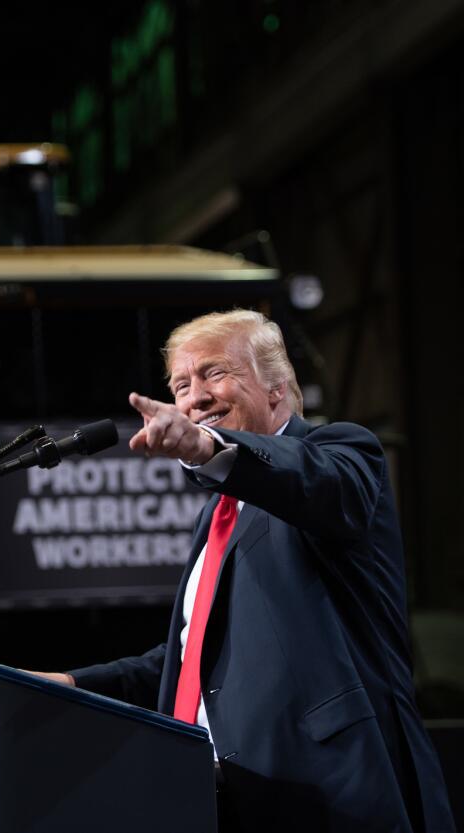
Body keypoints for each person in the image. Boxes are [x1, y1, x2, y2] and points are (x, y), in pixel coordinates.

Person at [38, 309, 453, 832]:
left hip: (329, 797)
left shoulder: (341, 453)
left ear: (276, 387)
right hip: (216, 801)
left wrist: (205, 448)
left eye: (214, 373)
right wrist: (72, 684)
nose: (195, 397)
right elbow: (190, 663)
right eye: (181, 385)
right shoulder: (216, 515)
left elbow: (310, 482)